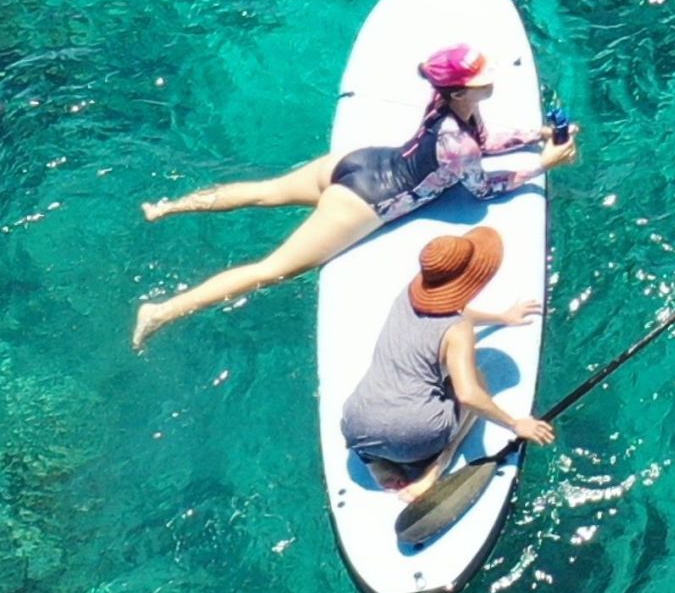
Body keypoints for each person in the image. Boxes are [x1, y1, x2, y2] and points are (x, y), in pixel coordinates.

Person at [135, 44, 579, 348]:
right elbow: (482, 186)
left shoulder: (449, 106)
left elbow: (484, 140)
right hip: (365, 201)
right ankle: (159, 311)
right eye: (484, 77)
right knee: (271, 270)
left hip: (359, 162)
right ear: (462, 89)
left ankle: (168, 208)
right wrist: (545, 163)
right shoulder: (456, 139)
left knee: (265, 191)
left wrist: (536, 135)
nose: (493, 78)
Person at [340, 224, 555, 494]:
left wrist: (502, 317)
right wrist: (515, 423)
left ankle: (375, 463)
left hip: (356, 424)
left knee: (382, 412)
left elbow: (457, 311)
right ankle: (437, 467)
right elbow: (467, 396)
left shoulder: (409, 294)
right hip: (415, 438)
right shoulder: (458, 330)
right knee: (478, 378)